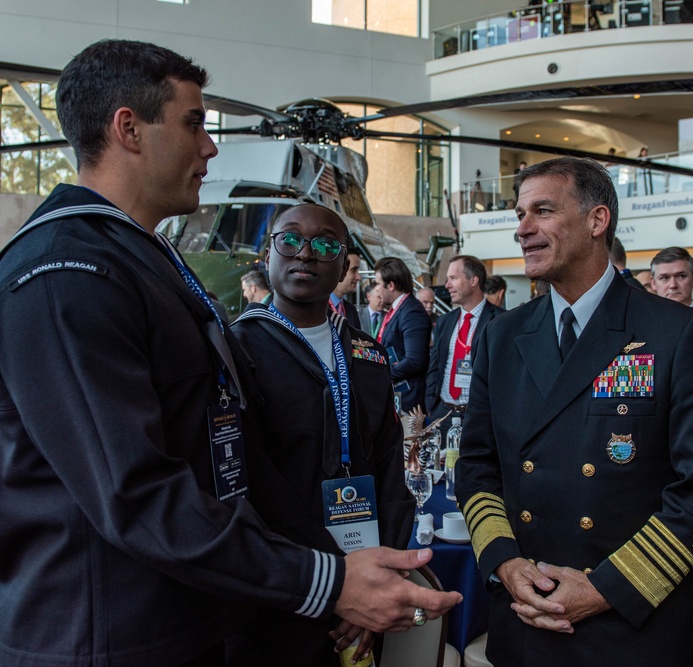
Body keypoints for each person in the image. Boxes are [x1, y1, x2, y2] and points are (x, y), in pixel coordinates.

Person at [0, 39, 459, 666]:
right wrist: (326, 581)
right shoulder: (69, 273)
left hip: (186, 617)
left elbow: (225, 456)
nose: (210, 147)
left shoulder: (136, 261)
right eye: (194, 125)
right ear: (128, 129)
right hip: (104, 636)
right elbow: (135, 492)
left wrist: (335, 567)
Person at [456, 157, 693, 666]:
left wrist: (604, 589)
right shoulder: (503, 335)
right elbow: (477, 466)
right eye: (520, 214)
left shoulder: (677, 333)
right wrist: (505, 564)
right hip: (526, 614)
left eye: (541, 211)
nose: (522, 229)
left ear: (596, 220)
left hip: (628, 623)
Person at [229, 203, 414, 665]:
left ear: (344, 265)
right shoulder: (238, 351)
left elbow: (391, 468)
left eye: (326, 245)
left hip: (369, 584)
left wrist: (379, 573)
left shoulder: (367, 353)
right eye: (290, 240)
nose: (305, 255)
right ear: (267, 254)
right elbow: (254, 486)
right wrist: (339, 581)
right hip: (285, 591)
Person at [425, 255, 504, 423]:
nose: (447, 286)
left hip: (478, 417)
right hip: (443, 414)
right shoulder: (445, 321)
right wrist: (431, 404)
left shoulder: (500, 321)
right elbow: (435, 365)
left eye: (453, 278)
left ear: (473, 280)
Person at [374, 256, 432, 413]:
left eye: (378, 284)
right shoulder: (398, 309)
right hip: (397, 394)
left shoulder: (412, 311)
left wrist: (380, 374)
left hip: (408, 400)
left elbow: (415, 361)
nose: (377, 289)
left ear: (391, 285)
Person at [650, 246, 693, 319]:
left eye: (681, 276)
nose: (673, 285)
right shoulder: (641, 322)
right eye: (664, 278)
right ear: (653, 283)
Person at [328, 245, 362, 329]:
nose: (358, 277)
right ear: (341, 269)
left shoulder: (351, 310)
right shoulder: (315, 308)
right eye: (354, 270)